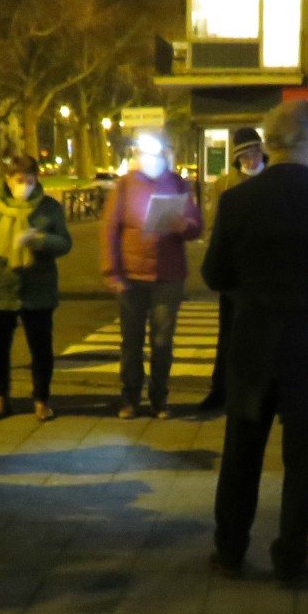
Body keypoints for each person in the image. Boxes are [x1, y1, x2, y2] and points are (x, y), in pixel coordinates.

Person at [203, 101, 308, 583]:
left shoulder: (237, 202)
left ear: (270, 145)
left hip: (254, 344)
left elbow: (215, 274)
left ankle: (230, 551)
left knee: (241, 456)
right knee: (304, 463)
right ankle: (290, 557)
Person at [100, 133, 201, 419]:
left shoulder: (178, 183)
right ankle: (130, 398)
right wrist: (112, 272)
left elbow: (197, 225)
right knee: (131, 341)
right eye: (146, 153)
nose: (152, 159)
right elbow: (110, 230)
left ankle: (160, 398)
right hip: (131, 276)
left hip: (168, 276)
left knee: (162, 341)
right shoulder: (125, 185)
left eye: (158, 153)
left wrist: (185, 225)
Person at [0, 155, 73, 421]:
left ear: (37, 180)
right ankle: (1, 398)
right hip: (0, 287)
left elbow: (64, 243)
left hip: (38, 287)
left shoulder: (49, 208)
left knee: (41, 347)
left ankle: (41, 399)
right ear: (8, 179)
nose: (24, 185)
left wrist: (39, 240)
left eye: (29, 180)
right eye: (19, 180)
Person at [199, 126, 266, 411]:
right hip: (236, 274)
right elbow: (214, 226)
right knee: (228, 333)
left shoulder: (272, 179)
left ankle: (260, 390)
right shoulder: (225, 184)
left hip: (264, 272)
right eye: (243, 156)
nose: (249, 160)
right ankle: (221, 388)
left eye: (252, 153)